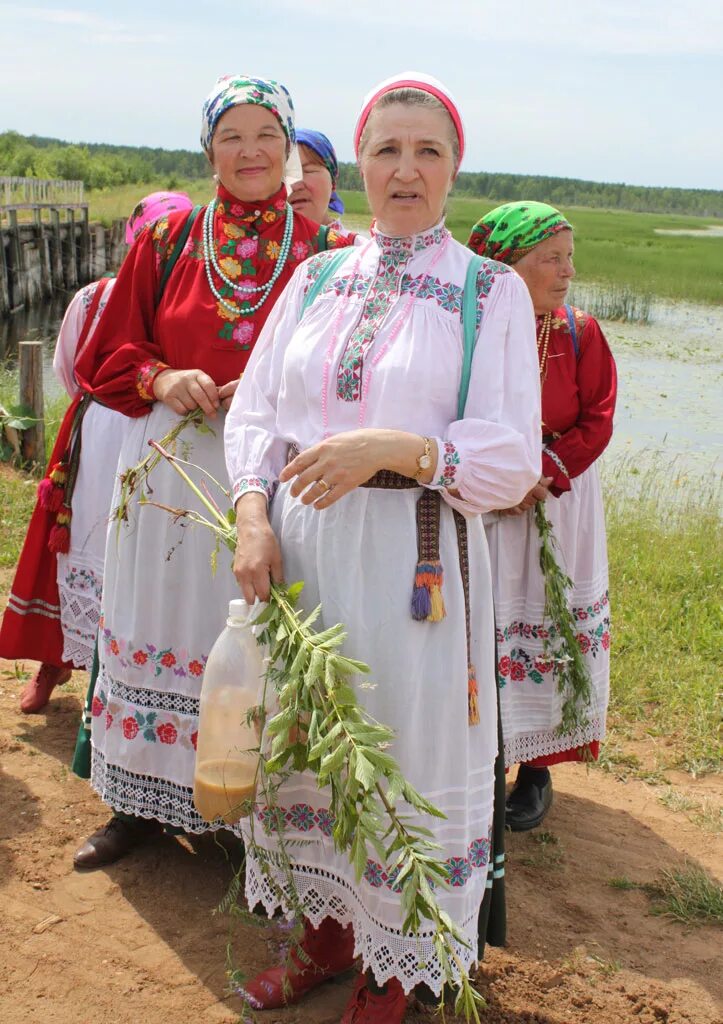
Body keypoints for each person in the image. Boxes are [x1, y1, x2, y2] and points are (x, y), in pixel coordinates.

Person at [225, 72, 541, 1022]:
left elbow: (510, 459)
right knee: (310, 746)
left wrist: (394, 449)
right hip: (308, 550)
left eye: (427, 152)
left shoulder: (488, 294)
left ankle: (395, 970)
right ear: (358, 163)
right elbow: (256, 410)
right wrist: (250, 511)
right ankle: (323, 937)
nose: (405, 171)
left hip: (419, 560)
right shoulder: (316, 278)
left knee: (400, 751)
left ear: (454, 169)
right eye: (387, 150)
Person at [69, 74, 354, 870]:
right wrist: (162, 379)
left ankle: (244, 815)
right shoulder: (166, 243)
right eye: (231, 135)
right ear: (208, 151)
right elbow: (109, 351)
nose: (251, 150)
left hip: (274, 476)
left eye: (267, 134)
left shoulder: (329, 254)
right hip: (169, 471)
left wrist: (273, 397)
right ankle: (134, 802)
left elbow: (349, 370)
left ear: (290, 147)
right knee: (157, 626)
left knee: (252, 638)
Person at [0, 192, 192, 714]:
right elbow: (71, 370)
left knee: (145, 552)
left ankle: (126, 683)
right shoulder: (95, 297)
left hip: (162, 436)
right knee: (79, 540)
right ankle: (53, 663)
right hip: (101, 429)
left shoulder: (188, 299)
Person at [467, 201, 617, 831]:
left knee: (543, 622)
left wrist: (540, 473)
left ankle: (535, 770)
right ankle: (476, 761)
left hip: (554, 506)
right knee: (482, 624)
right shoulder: (468, 326)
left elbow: (597, 417)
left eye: (570, 257)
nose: (566, 272)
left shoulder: (580, 333)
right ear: (506, 264)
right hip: (478, 502)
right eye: (550, 259)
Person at [289, 128, 350, 233]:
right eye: (286, 174)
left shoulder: (358, 247)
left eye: (309, 171)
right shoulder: (260, 246)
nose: (295, 184)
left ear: (333, 182)